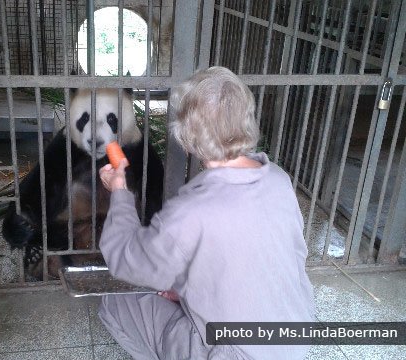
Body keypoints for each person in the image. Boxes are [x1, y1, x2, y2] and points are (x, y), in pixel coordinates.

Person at [98, 66, 314, 359]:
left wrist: (120, 192)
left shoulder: (190, 211)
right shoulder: (278, 180)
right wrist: (187, 291)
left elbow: (127, 260)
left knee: (114, 303)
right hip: (294, 341)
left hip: (234, 353)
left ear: (186, 138)